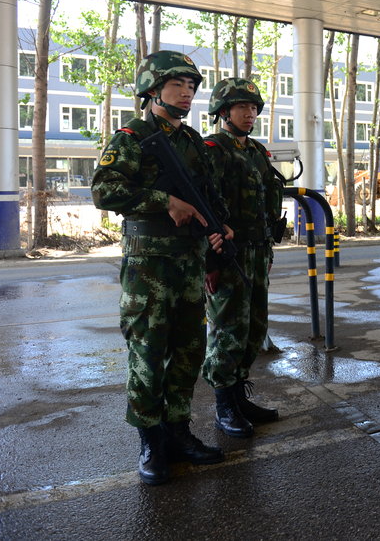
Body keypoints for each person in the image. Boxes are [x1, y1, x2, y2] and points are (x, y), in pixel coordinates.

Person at [91, 50, 230, 486]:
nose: (186, 93)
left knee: (188, 353)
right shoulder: (131, 137)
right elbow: (104, 191)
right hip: (148, 267)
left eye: (191, 87)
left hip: (187, 263)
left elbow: (208, 191)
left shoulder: (190, 141)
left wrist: (219, 226)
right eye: (177, 85)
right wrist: (163, 201)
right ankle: (150, 440)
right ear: (153, 90)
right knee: (148, 355)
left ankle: (178, 431)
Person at [201, 77, 285, 438]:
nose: (250, 114)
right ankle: (224, 407)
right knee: (227, 331)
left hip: (256, 251)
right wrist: (210, 260)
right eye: (242, 107)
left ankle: (238, 397)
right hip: (227, 254)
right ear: (223, 111)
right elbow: (204, 206)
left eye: (253, 108)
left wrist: (267, 249)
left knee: (253, 329)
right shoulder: (213, 149)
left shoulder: (256, 151)